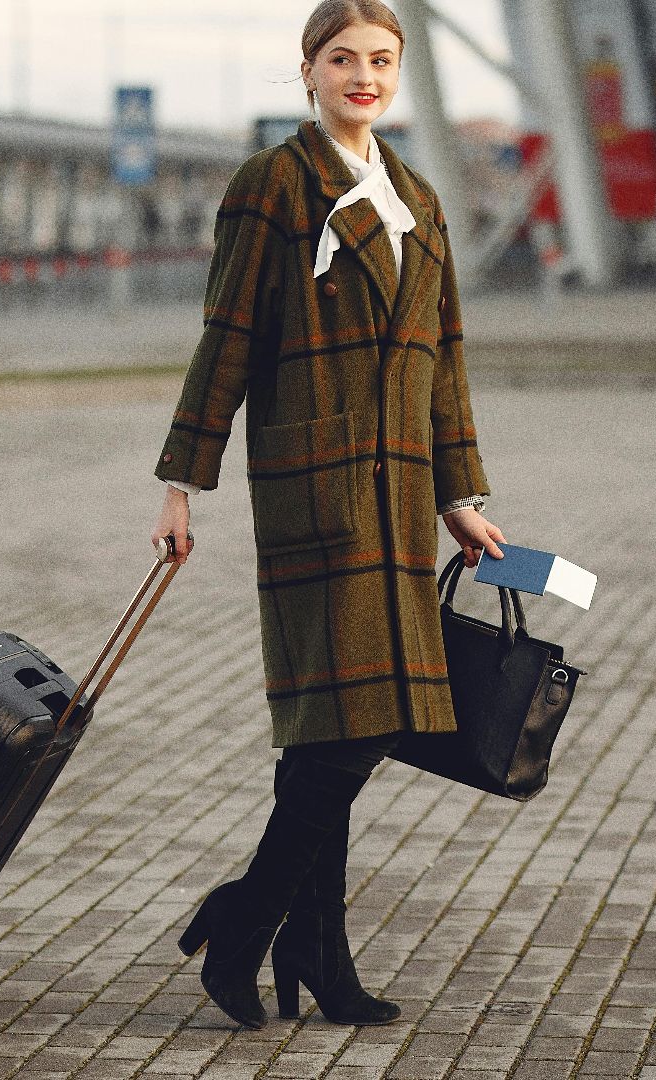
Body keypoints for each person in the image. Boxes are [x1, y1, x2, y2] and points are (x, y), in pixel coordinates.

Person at [150, 0, 505, 1030]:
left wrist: (459, 494)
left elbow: (445, 364)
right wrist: (182, 482)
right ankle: (252, 918)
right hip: (316, 483)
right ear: (306, 70)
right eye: (343, 57)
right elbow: (225, 337)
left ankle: (314, 948)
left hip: (398, 497)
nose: (364, 75)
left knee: (335, 725)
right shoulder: (274, 185)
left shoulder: (420, 197)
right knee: (361, 719)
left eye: (382, 59)